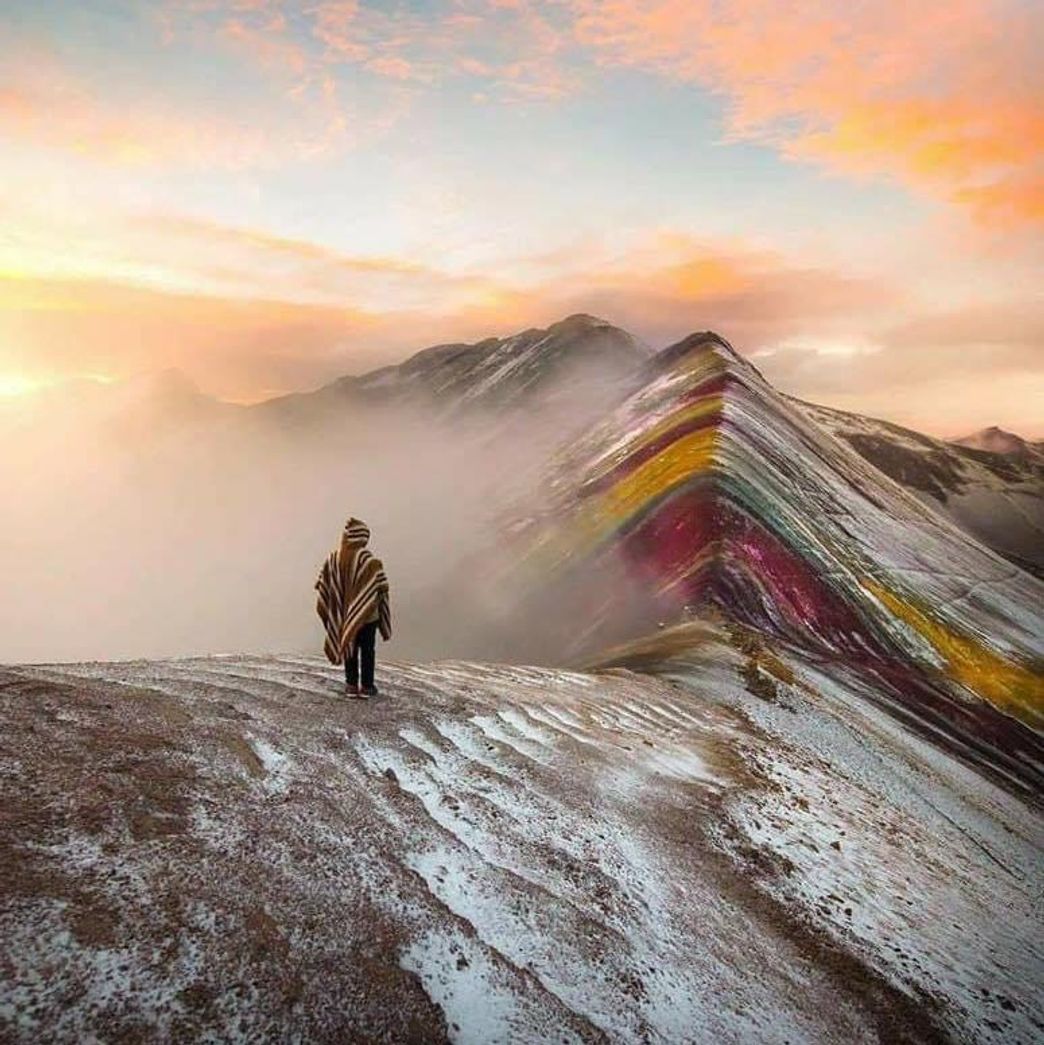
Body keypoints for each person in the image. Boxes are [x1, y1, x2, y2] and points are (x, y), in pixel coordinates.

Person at [315, 517, 392, 698]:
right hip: (368, 616)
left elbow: (322, 584)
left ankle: (350, 685)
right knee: (367, 650)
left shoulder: (332, 559)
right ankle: (367, 686)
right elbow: (382, 588)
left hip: (342, 613)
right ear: (363, 538)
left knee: (349, 645)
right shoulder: (370, 561)